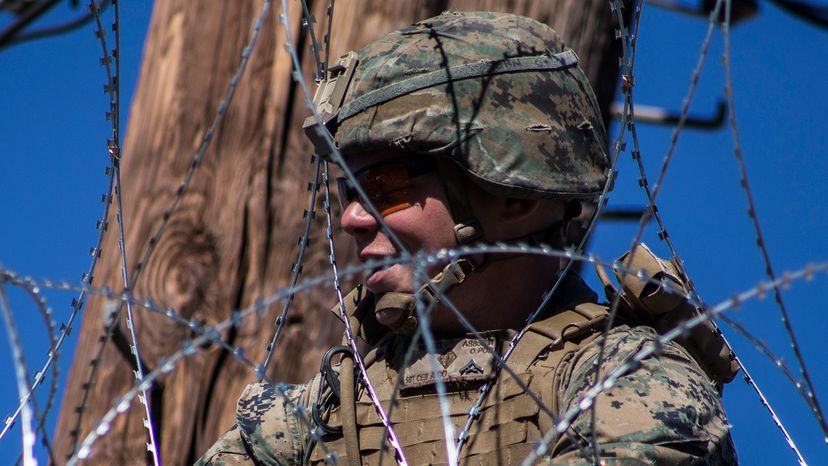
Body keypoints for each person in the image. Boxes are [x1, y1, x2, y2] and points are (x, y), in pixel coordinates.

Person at [197, 11, 739, 465]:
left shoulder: (634, 383)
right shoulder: (325, 412)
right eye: (347, 192)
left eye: (385, 185)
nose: (353, 219)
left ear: (514, 196)